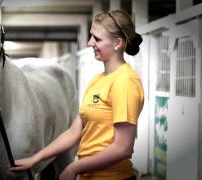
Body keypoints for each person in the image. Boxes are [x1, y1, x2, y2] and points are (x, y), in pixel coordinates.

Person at [10, 9, 144, 180]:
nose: (89, 43)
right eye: (91, 36)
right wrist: (36, 158)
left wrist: (74, 167)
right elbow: (73, 132)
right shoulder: (98, 80)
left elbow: (122, 147)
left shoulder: (125, 82)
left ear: (117, 43)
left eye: (97, 38)